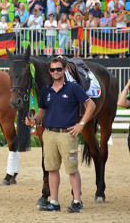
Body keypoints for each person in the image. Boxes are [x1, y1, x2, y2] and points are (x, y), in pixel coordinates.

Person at [25, 58, 95, 213]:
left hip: (67, 134)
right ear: (49, 72)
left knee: (71, 169)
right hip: (49, 133)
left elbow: (91, 105)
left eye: (58, 69)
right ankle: (55, 201)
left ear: (64, 70)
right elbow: (42, 111)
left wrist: (81, 124)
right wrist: (33, 120)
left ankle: (77, 200)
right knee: (52, 169)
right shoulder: (46, 90)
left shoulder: (73, 88)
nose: (55, 72)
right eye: (52, 70)